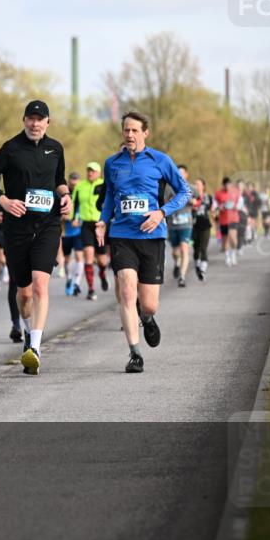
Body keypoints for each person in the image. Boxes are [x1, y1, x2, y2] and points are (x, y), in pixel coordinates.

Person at [0, 100, 72, 375]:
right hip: (17, 227)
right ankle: (26, 328)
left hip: (48, 224)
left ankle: (35, 347)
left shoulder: (55, 148)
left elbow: (59, 179)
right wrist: (4, 201)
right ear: (24, 121)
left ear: (48, 122)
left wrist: (66, 195)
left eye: (40, 119)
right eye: (30, 119)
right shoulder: (11, 148)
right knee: (25, 292)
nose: (35, 124)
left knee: (41, 286)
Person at [96, 112, 191, 374]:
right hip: (122, 235)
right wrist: (103, 221)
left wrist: (161, 212)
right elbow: (109, 197)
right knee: (126, 291)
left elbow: (185, 191)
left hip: (152, 236)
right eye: (126, 130)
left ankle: (147, 317)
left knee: (148, 303)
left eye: (135, 130)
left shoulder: (160, 160)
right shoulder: (112, 163)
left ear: (145, 133)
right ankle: (135, 354)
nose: (129, 135)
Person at [71, 161, 109, 301]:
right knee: (88, 255)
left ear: (98, 172)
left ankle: (103, 274)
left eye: (93, 171)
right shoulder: (80, 186)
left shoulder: (104, 185)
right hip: (86, 224)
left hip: (100, 224)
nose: (90, 173)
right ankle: (91, 289)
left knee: (102, 260)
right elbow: (74, 203)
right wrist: (72, 218)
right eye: (88, 170)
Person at [167, 165, 193, 288]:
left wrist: (193, 202)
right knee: (175, 252)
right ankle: (176, 263)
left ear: (187, 175)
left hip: (186, 224)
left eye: (183, 173)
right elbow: (163, 202)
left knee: (184, 248)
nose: (181, 175)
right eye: (178, 172)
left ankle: (182, 277)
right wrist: (169, 199)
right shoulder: (168, 188)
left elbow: (199, 199)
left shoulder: (190, 188)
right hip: (173, 224)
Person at [62, 171, 84, 296]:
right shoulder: (65, 194)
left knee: (79, 256)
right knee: (67, 259)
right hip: (66, 231)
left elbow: (86, 210)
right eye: (72, 180)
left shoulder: (82, 193)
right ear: (69, 181)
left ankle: (76, 282)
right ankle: (69, 278)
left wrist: (80, 221)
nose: (74, 183)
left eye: (77, 180)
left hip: (79, 231)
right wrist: (63, 217)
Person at [214, 177, 241, 267]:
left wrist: (236, 206)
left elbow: (240, 203)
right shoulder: (218, 193)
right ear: (223, 185)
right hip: (224, 220)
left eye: (229, 185)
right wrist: (220, 207)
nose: (228, 187)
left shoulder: (236, 192)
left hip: (233, 218)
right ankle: (227, 257)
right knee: (225, 240)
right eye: (226, 185)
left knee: (233, 238)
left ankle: (233, 254)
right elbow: (214, 205)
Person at [191, 178, 213, 281]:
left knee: (203, 248)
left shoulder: (208, 197)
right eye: (195, 184)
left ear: (203, 186)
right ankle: (197, 266)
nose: (196, 186)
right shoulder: (189, 197)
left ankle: (202, 270)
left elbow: (213, 210)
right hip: (193, 226)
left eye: (198, 184)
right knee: (196, 249)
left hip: (205, 225)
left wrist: (215, 215)